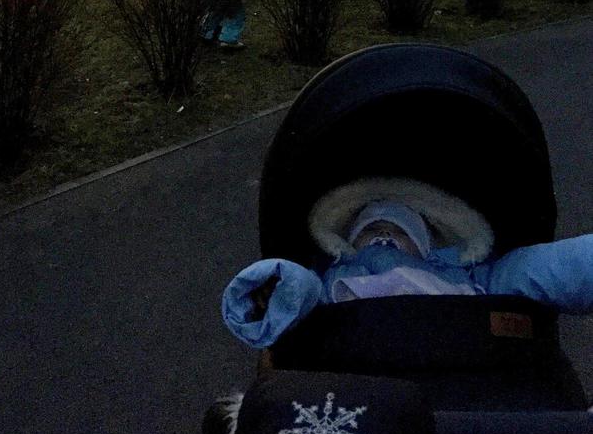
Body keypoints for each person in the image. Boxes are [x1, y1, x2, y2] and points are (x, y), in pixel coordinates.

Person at [222, 180, 593, 348]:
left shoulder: (464, 272)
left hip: (462, 347)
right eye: (370, 232)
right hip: (362, 352)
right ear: (349, 243)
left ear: (424, 245)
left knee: (532, 270)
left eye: (397, 231)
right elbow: (305, 288)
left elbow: (537, 270)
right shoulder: (335, 274)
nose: (383, 238)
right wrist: (277, 285)